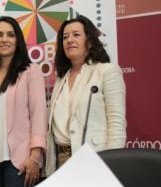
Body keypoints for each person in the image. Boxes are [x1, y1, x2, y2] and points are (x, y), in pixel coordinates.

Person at [45, 15, 126, 176]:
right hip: (60, 161)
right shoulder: (61, 78)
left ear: (89, 41)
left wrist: (112, 163)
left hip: (95, 159)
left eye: (76, 35)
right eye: (65, 37)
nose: (69, 40)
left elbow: (116, 122)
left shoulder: (106, 71)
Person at [0, 16, 47, 187]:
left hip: (19, 160)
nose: (4, 39)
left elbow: (39, 115)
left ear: (18, 40)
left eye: (10, 35)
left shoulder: (31, 72)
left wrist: (35, 156)